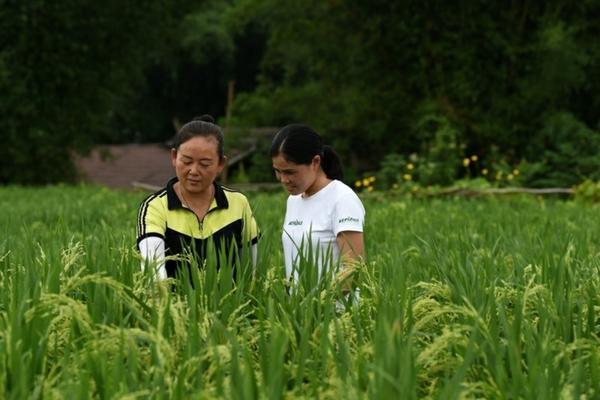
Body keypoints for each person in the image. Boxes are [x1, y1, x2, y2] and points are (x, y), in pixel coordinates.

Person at [137, 115, 259, 281]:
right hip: (173, 305)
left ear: (221, 164)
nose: (194, 171)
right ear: (174, 157)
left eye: (205, 164)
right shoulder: (155, 206)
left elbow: (250, 271)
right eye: (186, 161)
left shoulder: (238, 203)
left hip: (228, 305)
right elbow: (153, 272)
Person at [270, 124, 365, 294]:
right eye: (278, 171)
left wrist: (319, 304)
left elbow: (353, 269)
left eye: (290, 172)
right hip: (298, 315)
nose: (284, 179)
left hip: (336, 314)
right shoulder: (293, 200)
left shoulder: (342, 198)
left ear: (315, 162)